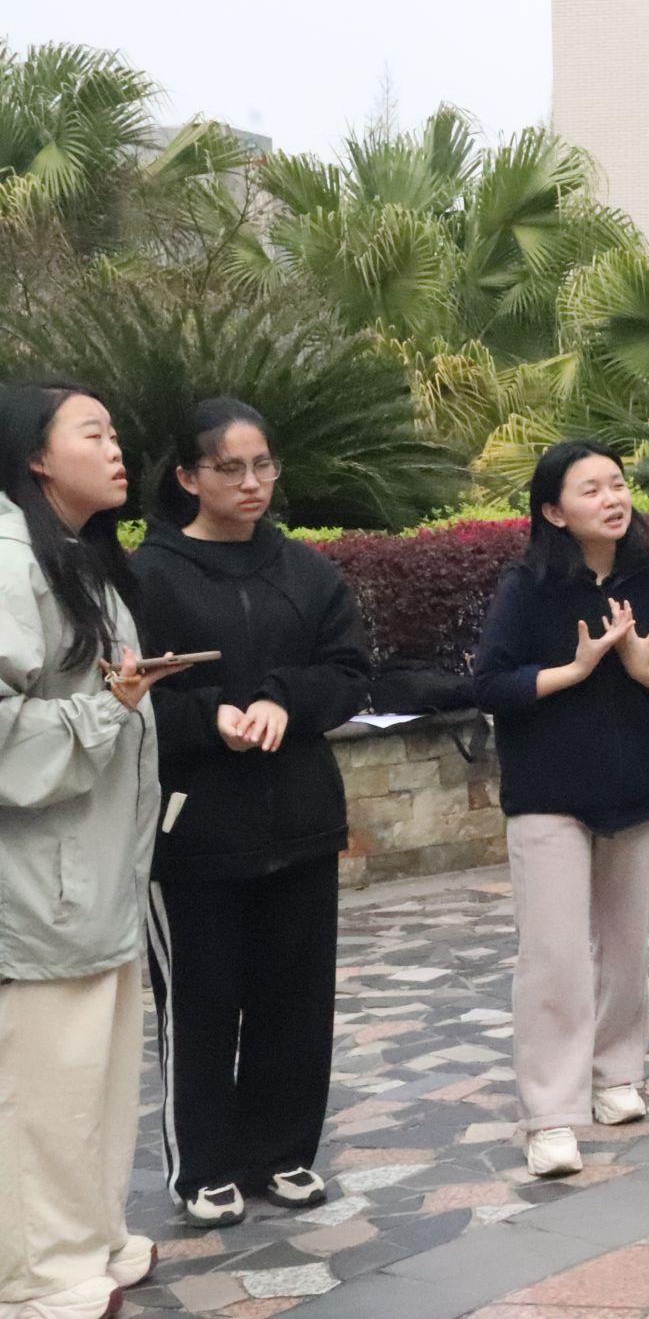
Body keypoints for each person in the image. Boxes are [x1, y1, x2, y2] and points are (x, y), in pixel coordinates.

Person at [133, 398, 374, 1229]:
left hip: (300, 820)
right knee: (202, 1003)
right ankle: (204, 1167)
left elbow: (349, 670)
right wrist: (212, 718)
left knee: (295, 996)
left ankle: (284, 1150)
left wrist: (283, 700)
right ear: (187, 476)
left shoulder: (305, 571)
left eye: (263, 464)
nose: (251, 482)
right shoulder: (147, 576)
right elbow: (127, 698)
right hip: (195, 834)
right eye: (230, 468)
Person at [473, 440, 649, 1178]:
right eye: (591, 489)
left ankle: (616, 1074)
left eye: (617, 484)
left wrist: (647, 670)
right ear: (554, 511)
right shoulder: (527, 586)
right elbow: (490, 683)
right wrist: (571, 671)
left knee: (625, 948)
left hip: (638, 785)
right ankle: (549, 1113)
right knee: (554, 957)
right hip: (548, 793)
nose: (612, 499)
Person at [0, 382, 178, 1319]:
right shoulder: (7, 559)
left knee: (99, 1078)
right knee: (44, 1088)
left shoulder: (80, 558)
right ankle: (39, 1277)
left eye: (115, 431)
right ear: (37, 456)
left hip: (101, 867)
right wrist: (107, 708)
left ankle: (93, 1237)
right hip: (39, 881)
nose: (117, 449)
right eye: (93, 432)